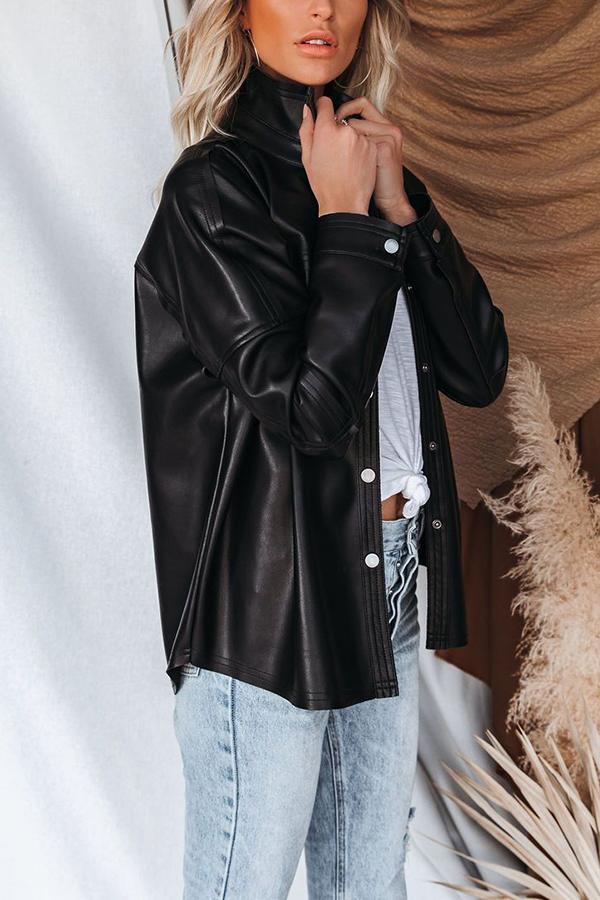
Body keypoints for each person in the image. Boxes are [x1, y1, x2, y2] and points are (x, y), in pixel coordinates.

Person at [133, 1, 509, 896]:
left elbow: (478, 370)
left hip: (387, 580)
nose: (320, 8)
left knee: (367, 886)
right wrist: (346, 220)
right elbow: (309, 410)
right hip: (267, 608)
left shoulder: (363, 172)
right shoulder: (214, 191)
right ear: (240, 12)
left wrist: (400, 208)